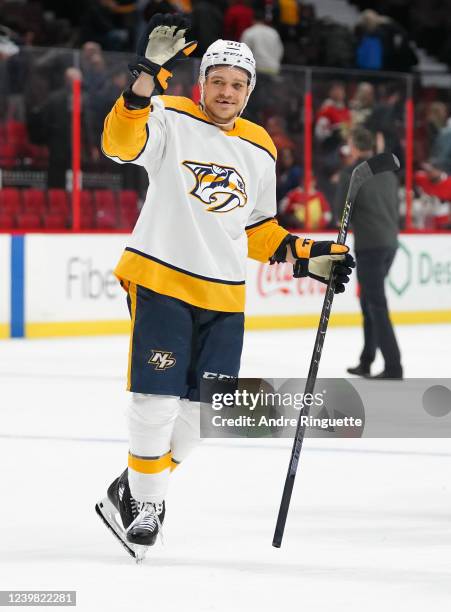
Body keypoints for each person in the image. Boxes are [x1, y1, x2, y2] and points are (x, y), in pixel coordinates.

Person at [95, 13, 355, 560]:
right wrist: (146, 74)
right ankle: (146, 508)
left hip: (226, 292)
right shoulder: (169, 115)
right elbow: (119, 144)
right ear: (202, 82)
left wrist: (306, 255)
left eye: (238, 85)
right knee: (155, 398)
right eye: (218, 81)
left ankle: (134, 487)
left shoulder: (260, 147)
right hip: (162, 276)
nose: (227, 91)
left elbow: (257, 227)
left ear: (249, 91)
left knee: (207, 413)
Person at [334, 127, 403, 380]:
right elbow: (396, 208)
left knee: (376, 305)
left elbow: (341, 215)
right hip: (389, 244)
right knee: (369, 303)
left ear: (353, 146)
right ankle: (366, 360)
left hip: (369, 246)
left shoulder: (353, 174)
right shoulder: (388, 174)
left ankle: (394, 366)